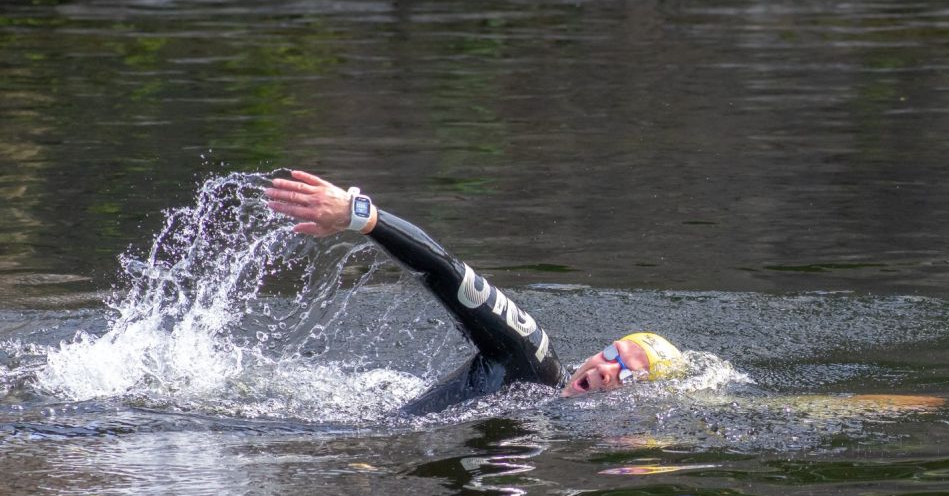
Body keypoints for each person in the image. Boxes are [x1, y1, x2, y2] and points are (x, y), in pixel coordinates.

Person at [264, 170, 685, 415]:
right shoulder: (531, 361)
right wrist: (361, 216)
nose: (608, 369)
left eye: (629, 374)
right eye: (613, 354)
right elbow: (450, 274)